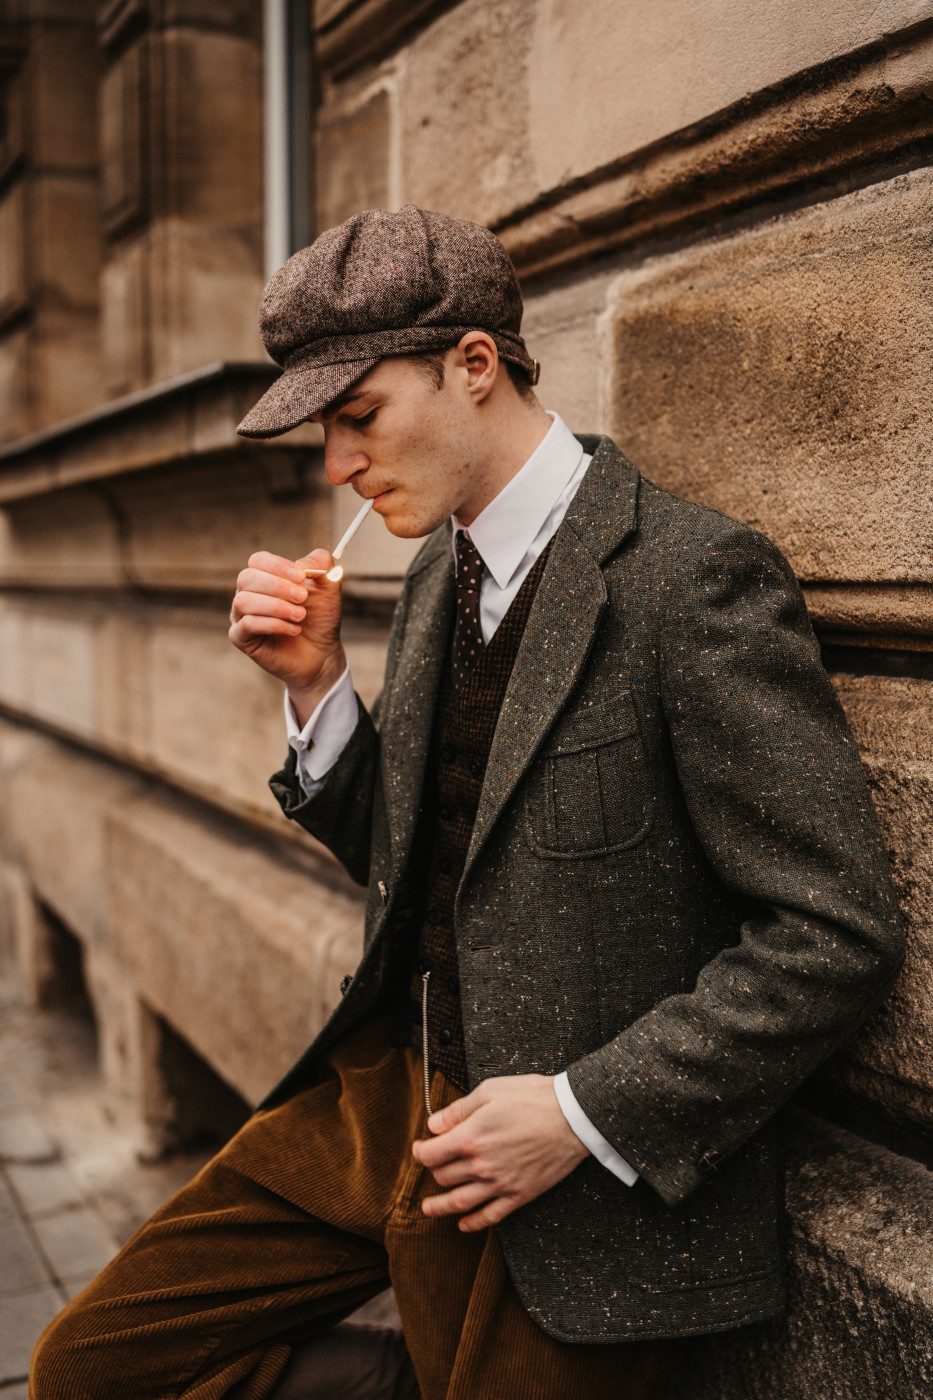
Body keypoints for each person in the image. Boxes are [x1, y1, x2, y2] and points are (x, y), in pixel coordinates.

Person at [30, 206, 904, 1400]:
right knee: (88, 1365)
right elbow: (422, 864)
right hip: (392, 1097)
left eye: (358, 414)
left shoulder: (690, 580)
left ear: (475, 363)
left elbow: (834, 933)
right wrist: (318, 691)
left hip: (577, 1176)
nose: (337, 464)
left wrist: (579, 1111)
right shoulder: (439, 574)